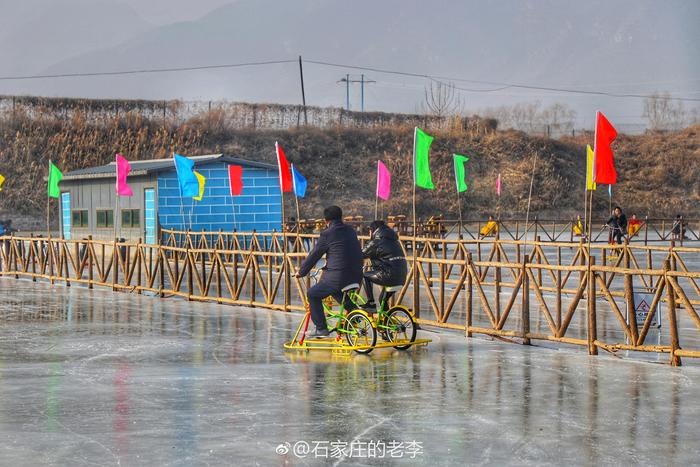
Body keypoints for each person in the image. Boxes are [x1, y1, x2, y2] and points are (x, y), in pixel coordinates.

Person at [296, 206, 363, 338]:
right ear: (341, 217)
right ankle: (354, 312)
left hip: (338, 276)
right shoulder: (351, 231)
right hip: (357, 276)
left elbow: (314, 255)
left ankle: (321, 328)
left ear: (326, 220)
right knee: (335, 290)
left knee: (313, 294)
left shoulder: (327, 234)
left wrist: (301, 272)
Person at [360, 220, 407, 312]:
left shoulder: (377, 241)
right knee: (383, 299)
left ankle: (371, 303)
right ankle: (387, 321)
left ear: (373, 230)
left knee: (365, 276)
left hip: (389, 275)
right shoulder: (394, 240)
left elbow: (361, 254)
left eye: (370, 230)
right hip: (402, 277)